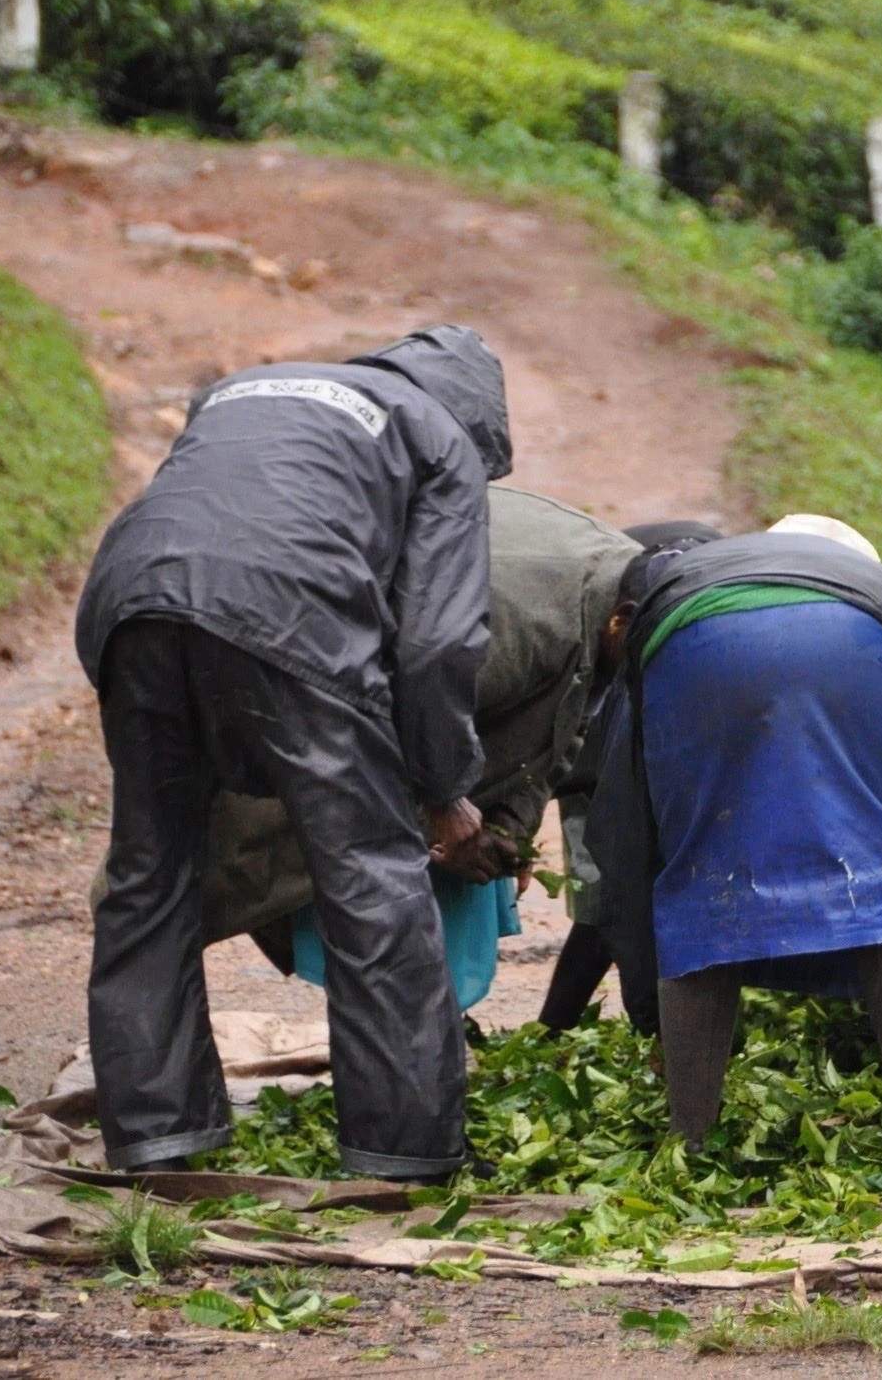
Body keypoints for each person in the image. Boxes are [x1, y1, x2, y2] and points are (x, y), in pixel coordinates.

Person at [75, 325, 510, 1179]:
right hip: (290, 608)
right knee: (370, 875)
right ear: (477, 418)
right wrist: (438, 784)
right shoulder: (439, 438)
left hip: (129, 602)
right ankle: (404, 1152)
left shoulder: (245, 384)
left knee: (150, 873)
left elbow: (204, 518)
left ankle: (160, 1140)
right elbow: (439, 642)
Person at [585, 517, 882, 1181]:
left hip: (694, 647)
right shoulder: (867, 594)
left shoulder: (698, 575)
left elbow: (624, 845)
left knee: (699, 886)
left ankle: (688, 1154)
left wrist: (647, 1011)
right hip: (858, 645)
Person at [174, 488, 649, 1015]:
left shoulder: (615, 587)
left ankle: (415, 1044)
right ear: (621, 620)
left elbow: (573, 712)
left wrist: (514, 818)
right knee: (206, 882)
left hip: (421, 707)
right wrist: (445, 802)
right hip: (314, 685)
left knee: (419, 935)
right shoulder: (526, 624)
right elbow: (388, 714)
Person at [535, 517, 728, 1034]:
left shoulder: (730, 612)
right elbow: (571, 763)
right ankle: (552, 1033)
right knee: (606, 887)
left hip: (681, 690)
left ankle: (675, 1023)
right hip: (603, 689)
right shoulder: (594, 631)